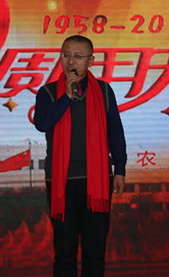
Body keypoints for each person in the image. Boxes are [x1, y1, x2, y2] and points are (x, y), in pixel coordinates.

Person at [34, 35, 127, 277]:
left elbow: (115, 132)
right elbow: (42, 123)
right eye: (66, 55)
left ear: (90, 61)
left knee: (94, 252)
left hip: (97, 180)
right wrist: (66, 95)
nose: (70, 61)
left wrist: (120, 170)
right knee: (65, 253)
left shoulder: (104, 91)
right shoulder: (48, 92)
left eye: (78, 56)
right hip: (61, 182)